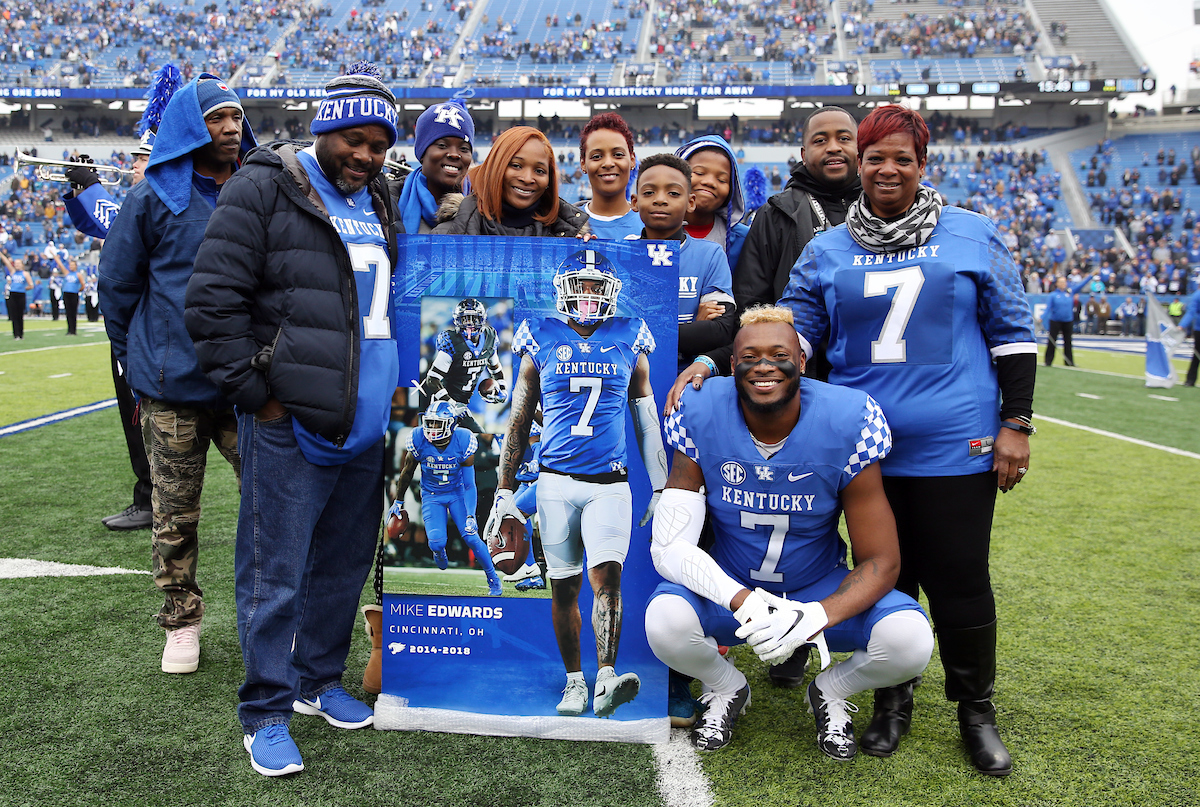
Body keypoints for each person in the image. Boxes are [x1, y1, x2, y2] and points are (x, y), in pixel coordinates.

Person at [779, 105, 1036, 776]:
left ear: (923, 165)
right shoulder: (827, 247)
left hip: (958, 443)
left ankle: (976, 710)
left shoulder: (972, 232)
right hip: (866, 448)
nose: (887, 168)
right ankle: (893, 701)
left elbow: (1012, 335)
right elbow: (796, 341)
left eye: (902, 157)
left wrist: (1017, 425)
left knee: (959, 577)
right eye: (875, 157)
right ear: (859, 165)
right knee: (888, 582)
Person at [186, 63, 402, 777]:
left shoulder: (382, 198)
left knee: (339, 568)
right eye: (354, 138)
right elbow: (212, 299)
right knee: (273, 573)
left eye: (378, 143)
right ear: (325, 125)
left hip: (366, 424)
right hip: (292, 420)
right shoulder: (266, 183)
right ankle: (265, 711)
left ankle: (316, 681)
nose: (365, 155)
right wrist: (259, 396)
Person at [646, 308, 933, 756]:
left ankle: (832, 691)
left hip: (815, 584)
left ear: (801, 360)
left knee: (909, 639)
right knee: (663, 621)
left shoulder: (849, 417)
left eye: (779, 354)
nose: (764, 366)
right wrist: (741, 600)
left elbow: (882, 560)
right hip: (734, 585)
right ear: (733, 363)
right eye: (749, 356)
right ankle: (726, 687)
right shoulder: (700, 409)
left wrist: (815, 615)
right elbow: (668, 548)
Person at [666, 106, 861, 689]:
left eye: (844, 137)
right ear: (798, 151)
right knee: (727, 510)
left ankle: (806, 628)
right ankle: (716, 638)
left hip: (840, 390)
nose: (832, 147)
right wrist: (720, 356)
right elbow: (745, 311)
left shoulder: (877, 210)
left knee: (818, 516)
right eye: (818, 138)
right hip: (760, 387)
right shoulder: (776, 215)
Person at [98, 73, 255, 675]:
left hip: (245, 384)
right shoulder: (153, 195)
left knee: (269, 506)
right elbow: (117, 285)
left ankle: (268, 615)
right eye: (216, 117)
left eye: (236, 116)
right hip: (172, 388)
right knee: (173, 512)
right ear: (190, 126)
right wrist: (138, 357)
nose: (230, 127)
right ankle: (182, 621)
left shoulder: (256, 187)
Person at [488, 248, 668, 718]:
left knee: (608, 578)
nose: (587, 295)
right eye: (580, 286)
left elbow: (646, 420)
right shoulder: (540, 335)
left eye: (595, 287)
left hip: (610, 483)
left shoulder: (630, 336)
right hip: (553, 482)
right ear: (563, 290)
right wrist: (505, 488)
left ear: (611, 292)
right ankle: (574, 682)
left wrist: (662, 485)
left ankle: (606, 677)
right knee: (563, 587)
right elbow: (519, 418)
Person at [67, 131, 157, 532]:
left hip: (146, 329)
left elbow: (117, 226)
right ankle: (148, 495)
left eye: (140, 158)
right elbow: (99, 225)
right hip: (134, 324)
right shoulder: (143, 200)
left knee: (144, 418)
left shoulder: (157, 200)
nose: (132, 164)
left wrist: (90, 187)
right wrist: (80, 191)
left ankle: (151, 498)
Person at [630, 153, 734, 370]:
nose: (660, 199)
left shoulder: (710, 255)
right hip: (629, 380)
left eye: (673, 193)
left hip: (689, 381)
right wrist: (692, 328)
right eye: (649, 192)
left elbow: (723, 330)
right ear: (635, 202)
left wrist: (636, 332)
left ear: (690, 202)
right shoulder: (621, 253)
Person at [389, 400, 502, 593]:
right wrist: (398, 500)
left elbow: (469, 484)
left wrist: (470, 515)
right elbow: (407, 472)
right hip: (432, 495)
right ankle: (439, 552)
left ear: (450, 424)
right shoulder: (418, 437)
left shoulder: (464, 439)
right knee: (436, 542)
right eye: (429, 422)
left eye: (437, 423)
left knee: (472, 538)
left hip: (457, 493)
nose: (431, 428)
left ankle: (493, 579)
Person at [432, 126, 587, 237]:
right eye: (516, 165)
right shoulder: (447, 234)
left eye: (539, 171)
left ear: (549, 180)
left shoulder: (568, 238)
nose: (527, 178)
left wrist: (585, 260)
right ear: (496, 167)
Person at [417, 298, 508, 421]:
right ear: (457, 320)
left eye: (474, 318)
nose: (470, 324)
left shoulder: (489, 337)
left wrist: (502, 388)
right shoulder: (452, 341)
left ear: (482, 319)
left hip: (465, 403)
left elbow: (496, 368)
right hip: (445, 404)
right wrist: (451, 404)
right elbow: (432, 379)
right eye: (465, 319)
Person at [394, 99, 474, 234]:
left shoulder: (484, 210)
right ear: (422, 152)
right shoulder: (387, 203)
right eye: (442, 145)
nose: (454, 154)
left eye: (464, 148)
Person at [674, 135, 750, 272]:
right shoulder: (651, 231)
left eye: (722, 180)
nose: (709, 182)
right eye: (698, 172)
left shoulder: (745, 240)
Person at [579, 112, 641, 240]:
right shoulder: (564, 226)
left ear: (632, 160)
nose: (608, 163)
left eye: (618, 154)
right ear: (583, 164)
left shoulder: (653, 224)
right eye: (597, 156)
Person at [1043, 274, 1095, 366]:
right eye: (1061, 282)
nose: (1063, 283)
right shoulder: (1053, 295)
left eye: (1064, 282)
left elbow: (1081, 285)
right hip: (1055, 320)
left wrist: (1090, 276)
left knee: (1068, 342)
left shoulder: (1070, 292)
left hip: (1068, 320)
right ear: (1057, 284)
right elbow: (1048, 308)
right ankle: (1048, 361)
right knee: (1052, 341)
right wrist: (1041, 317)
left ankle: (1069, 361)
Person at [51, 253, 85, 336]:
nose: (71, 266)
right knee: (68, 312)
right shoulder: (67, 273)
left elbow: (83, 285)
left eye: (73, 265)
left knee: (73, 312)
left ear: (76, 266)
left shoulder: (78, 274)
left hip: (74, 294)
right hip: (66, 294)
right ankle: (69, 330)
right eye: (70, 265)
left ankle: (74, 330)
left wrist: (78, 290)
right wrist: (54, 255)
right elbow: (60, 264)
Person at [2, 253, 33, 340]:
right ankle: (16, 334)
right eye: (15, 263)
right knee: (14, 315)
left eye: (19, 263)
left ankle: (21, 333)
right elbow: (6, 262)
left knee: (20, 314)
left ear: (22, 265)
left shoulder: (25, 273)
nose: (17, 265)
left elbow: (31, 285)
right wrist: (1, 254)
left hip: (21, 295)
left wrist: (23, 288)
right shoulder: (13, 272)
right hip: (13, 294)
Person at [1179, 293, 1200, 386]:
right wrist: (1182, 325)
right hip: (1199, 329)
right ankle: (1190, 379)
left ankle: (1190, 380)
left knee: (1196, 355)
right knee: (1197, 354)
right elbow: (1191, 312)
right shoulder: (1197, 296)